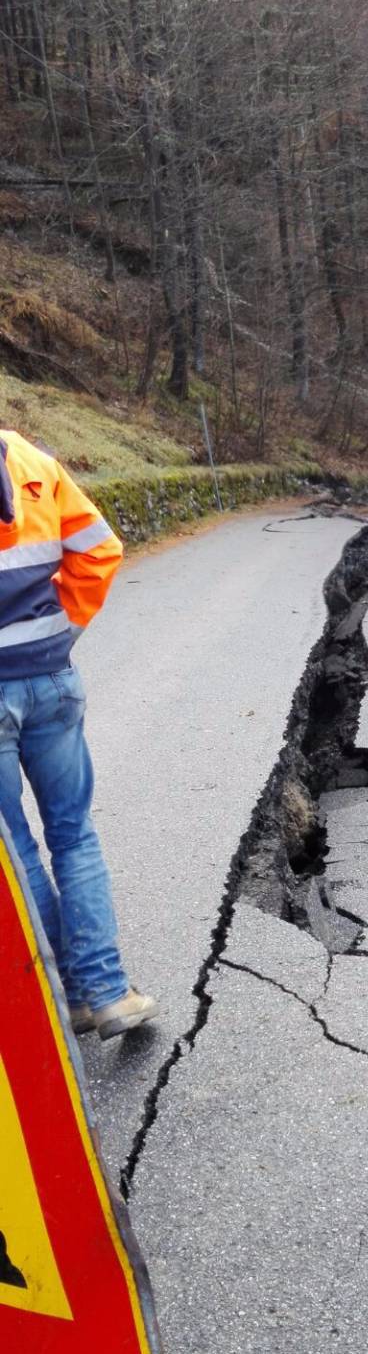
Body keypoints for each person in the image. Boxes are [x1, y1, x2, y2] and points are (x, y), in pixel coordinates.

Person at [0, 429, 158, 1040]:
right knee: (74, 835)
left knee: (17, 856)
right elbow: (99, 548)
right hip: (50, 679)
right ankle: (108, 992)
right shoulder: (31, 460)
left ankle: (68, 997)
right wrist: (59, 629)